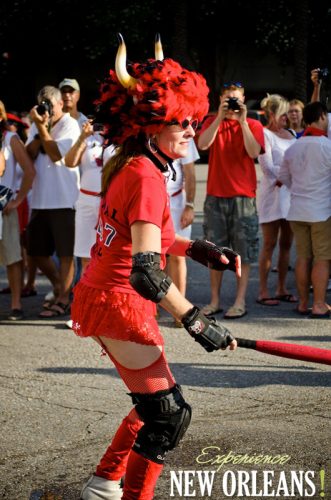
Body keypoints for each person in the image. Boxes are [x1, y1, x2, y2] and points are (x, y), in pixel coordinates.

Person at [71, 34, 240, 500]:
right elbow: (148, 271)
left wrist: (199, 248)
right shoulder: (145, 174)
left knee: (155, 408)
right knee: (168, 415)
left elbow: (152, 239)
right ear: (150, 125)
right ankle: (120, 492)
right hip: (117, 301)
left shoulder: (137, 164)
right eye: (182, 123)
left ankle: (105, 482)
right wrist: (195, 320)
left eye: (193, 121)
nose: (192, 131)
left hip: (108, 297)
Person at [198, 81, 264, 319]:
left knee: (243, 253)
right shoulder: (211, 122)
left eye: (236, 99)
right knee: (215, 252)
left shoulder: (254, 124)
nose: (234, 104)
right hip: (216, 196)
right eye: (229, 99)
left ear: (244, 99)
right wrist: (219, 116)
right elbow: (203, 144)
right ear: (221, 99)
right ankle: (214, 300)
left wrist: (243, 120)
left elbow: (254, 152)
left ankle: (239, 301)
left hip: (243, 197)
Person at [26, 85, 80, 317]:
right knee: (36, 251)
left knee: (66, 253)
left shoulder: (70, 124)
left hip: (65, 199)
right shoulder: (37, 124)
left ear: (60, 104)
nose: (45, 107)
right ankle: (60, 286)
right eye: (42, 102)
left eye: (49, 102)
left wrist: (41, 127)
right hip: (39, 199)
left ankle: (64, 299)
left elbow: (57, 155)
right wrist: (39, 128)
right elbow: (29, 153)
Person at [278, 101, 331, 318]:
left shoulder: (293, 147)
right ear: (320, 118)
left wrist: (298, 188)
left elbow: (283, 177)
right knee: (322, 258)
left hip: (297, 209)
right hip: (321, 211)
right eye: (326, 118)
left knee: (302, 257)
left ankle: (302, 303)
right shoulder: (327, 146)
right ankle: (318, 304)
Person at [256, 94, 297, 306]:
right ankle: (263, 290)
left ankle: (282, 287)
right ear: (272, 114)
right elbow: (267, 167)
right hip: (272, 194)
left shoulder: (291, 133)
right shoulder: (264, 134)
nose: (287, 117)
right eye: (283, 113)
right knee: (270, 243)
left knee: (287, 244)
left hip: (291, 194)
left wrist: (290, 177)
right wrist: (286, 176)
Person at [0, 100, 35, 320]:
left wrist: (18, 199)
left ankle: (15, 304)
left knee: (13, 257)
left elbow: (29, 171)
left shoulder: (9, 139)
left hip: (5, 206)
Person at [166, 137, 199, 327]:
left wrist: (189, 205)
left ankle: (179, 311)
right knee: (155, 256)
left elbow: (190, 172)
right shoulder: (149, 133)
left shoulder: (185, 137)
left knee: (178, 256)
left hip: (177, 204)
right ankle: (153, 306)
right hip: (153, 202)